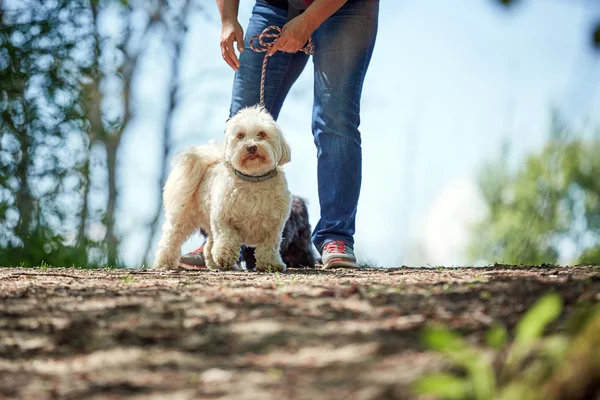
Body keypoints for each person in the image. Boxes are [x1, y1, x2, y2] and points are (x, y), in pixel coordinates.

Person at [180, 0, 379, 269]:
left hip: (345, 8)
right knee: (241, 120)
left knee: (334, 120)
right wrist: (228, 18)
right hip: (275, 5)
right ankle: (222, 238)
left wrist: (308, 21)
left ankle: (336, 236)